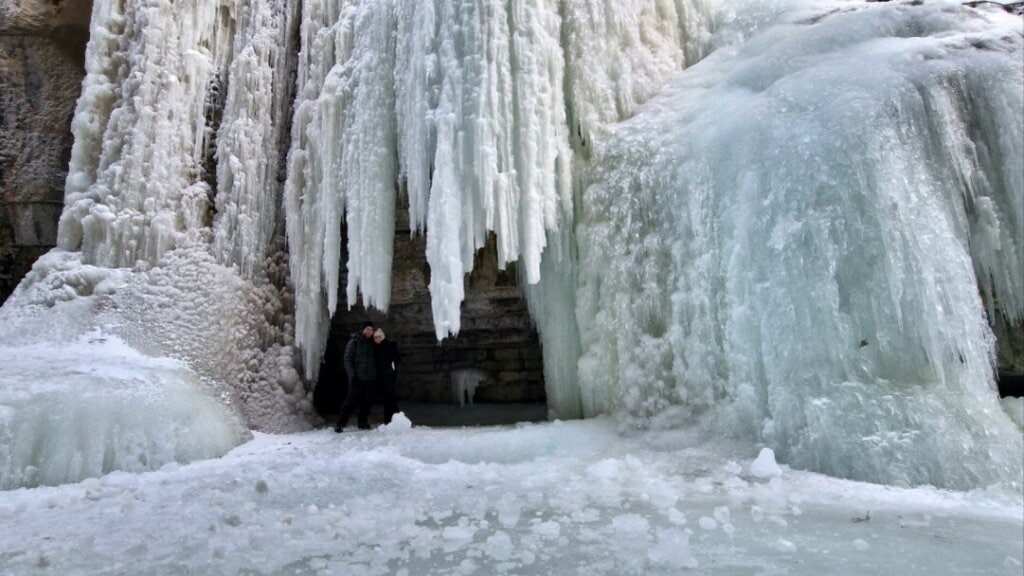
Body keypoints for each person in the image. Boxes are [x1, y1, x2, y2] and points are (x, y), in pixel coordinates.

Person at [335, 321, 377, 432]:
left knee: (367, 401)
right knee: (350, 401)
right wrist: (352, 375)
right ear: (362, 330)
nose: (369, 331)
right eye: (367, 329)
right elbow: (347, 359)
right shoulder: (354, 342)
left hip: (370, 378)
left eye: (371, 330)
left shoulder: (373, 343)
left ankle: (362, 422)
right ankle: (340, 424)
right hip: (356, 378)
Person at [373, 328, 401, 423]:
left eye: (379, 336)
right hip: (381, 377)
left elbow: (396, 359)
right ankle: (396, 416)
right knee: (387, 398)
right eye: (375, 337)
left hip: (389, 376)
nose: (377, 338)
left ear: (383, 337)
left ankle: (389, 419)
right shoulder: (375, 348)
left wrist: (392, 369)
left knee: (389, 397)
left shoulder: (388, 345)